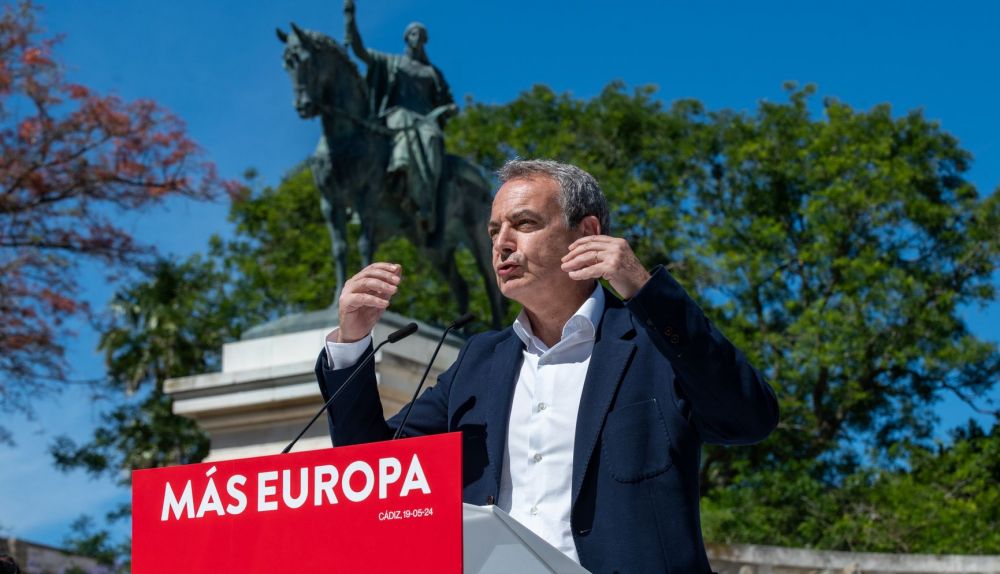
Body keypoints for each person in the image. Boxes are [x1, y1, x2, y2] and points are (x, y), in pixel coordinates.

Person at [315, 159, 779, 573]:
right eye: (495, 229)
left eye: (524, 223)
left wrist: (644, 290)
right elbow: (370, 472)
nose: (502, 245)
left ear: (587, 232)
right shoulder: (478, 362)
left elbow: (747, 418)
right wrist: (352, 341)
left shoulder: (655, 341)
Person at [343, 0, 457, 235]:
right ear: (407, 37)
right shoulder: (392, 63)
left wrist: (450, 109)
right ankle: (380, 180)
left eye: (422, 35)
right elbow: (359, 51)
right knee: (395, 123)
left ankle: (425, 201)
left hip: (426, 121)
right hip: (396, 116)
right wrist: (349, 18)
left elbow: (448, 100)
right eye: (415, 33)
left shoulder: (432, 72)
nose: (419, 37)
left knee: (432, 139)